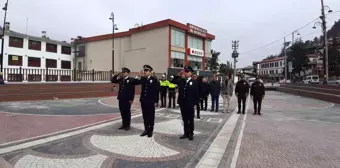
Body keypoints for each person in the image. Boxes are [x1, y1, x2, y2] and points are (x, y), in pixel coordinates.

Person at [134, 65, 159, 137]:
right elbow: (135, 82)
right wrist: (138, 76)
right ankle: (146, 129)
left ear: (150, 72)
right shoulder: (143, 79)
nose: (144, 72)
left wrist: (156, 101)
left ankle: (150, 130)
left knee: (151, 116)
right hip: (143, 101)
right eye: (144, 70)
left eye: (146, 70)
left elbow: (157, 91)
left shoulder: (154, 80)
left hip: (151, 101)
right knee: (145, 116)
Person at [178, 66, 199, 141]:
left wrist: (196, 104)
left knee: (190, 119)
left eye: (187, 72)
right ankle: (185, 133)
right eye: (185, 72)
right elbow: (173, 80)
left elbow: (196, 94)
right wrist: (180, 74)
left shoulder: (194, 82)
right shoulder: (182, 81)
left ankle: (191, 134)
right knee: (185, 119)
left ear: (191, 73)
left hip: (190, 105)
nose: (185, 73)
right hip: (183, 104)